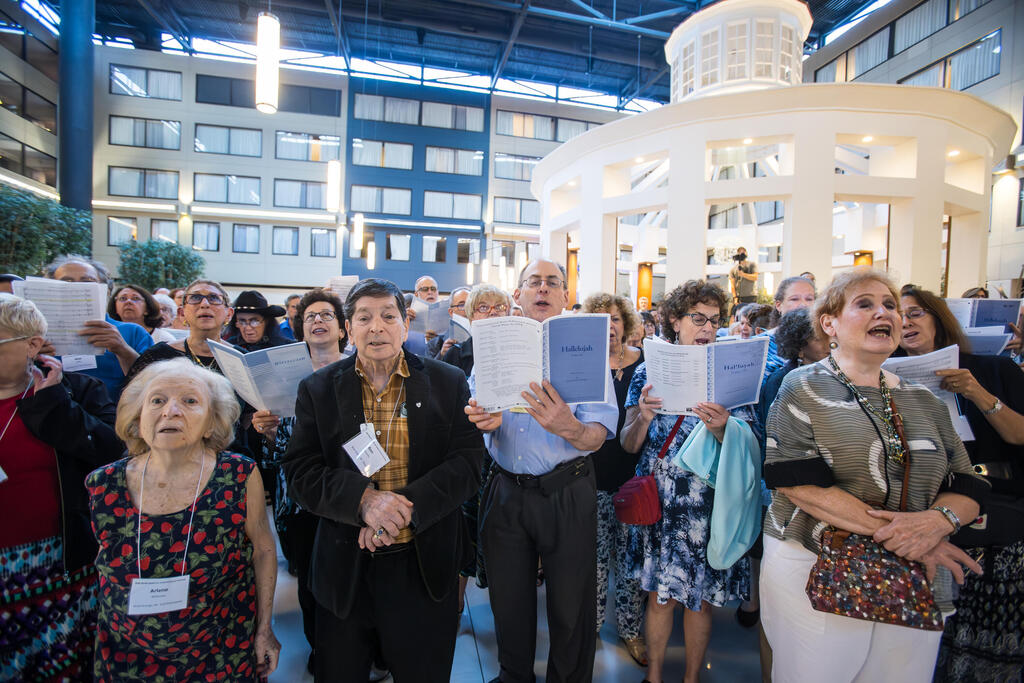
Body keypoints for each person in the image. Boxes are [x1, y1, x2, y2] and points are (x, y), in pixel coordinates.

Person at [759, 269, 988, 683]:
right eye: (864, 304)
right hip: (818, 561)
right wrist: (908, 538)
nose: (883, 312)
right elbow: (797, 482)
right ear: (829, 323)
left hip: (916, 567)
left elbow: (968, 481)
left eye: (890, 306)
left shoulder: (923, 398)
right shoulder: (802, 386)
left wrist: (938, 522)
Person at [282, 278, 485, 682]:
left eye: (388, 316)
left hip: (422, 562)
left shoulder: (447, 382)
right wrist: (365, 502)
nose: (377, 327)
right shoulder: (318, 389)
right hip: (346, 564)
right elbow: (300, 470)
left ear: (404, 325)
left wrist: (400, 510)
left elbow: (468, 463)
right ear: (348, 328)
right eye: (364, 317)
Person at [465, 259, 618, 683]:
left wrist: (566, 425)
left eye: (554, 282)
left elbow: (597, 436)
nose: (544, 289)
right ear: (518, 294)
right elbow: (475, 406)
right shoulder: (494, 345)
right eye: (534, 282)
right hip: (505, 490)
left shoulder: (587, 349)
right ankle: (514, 675)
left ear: (566, 296)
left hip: (566, 490)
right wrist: (482, 419)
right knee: (508, 599)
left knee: (571, 603)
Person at [87, 358, 280, 681]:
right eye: (157, 401)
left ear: (211, 423)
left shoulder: (238, 475)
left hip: (220, 647)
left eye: (190, 401)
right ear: (137, 418)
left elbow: (263, 550)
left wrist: (264, 629)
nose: (171, 411)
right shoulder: (103, 484)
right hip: (128, 653)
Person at [619, 280, 759, 683]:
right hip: (659, 501)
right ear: (674, 321)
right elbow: (629, 445)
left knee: (700, 603)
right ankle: (655, 676)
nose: (707, 328)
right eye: (698, 318)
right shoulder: (648, 370)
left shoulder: (731, 374)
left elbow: (750, 448)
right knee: (659, 598)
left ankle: (693, 677)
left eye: (715, 321)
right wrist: (643, 416)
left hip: (707, 503)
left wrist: (722, 430)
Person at [894, 285, 1024, 681]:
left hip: (1000, 520)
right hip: (927, 527)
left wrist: (975, 392)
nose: (905, 321)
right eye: (897, 315)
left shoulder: (993, 370)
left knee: (996, 643)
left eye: (915, 312)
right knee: (925, 647)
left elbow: (1019, 435)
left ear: (938, 318)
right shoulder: (885, 381)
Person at [0, 293, 123, 682]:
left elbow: (113, 454)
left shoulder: (77, 390)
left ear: (32, 344)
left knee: (59, 663)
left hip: (58, 560)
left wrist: (54, 404)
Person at [249, 289, 349, 674]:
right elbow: (278, 458)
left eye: (326, 315)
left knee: (354, 579)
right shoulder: (284, 377)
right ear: (300, 329)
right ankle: (320, 649)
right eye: (309, 317)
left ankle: (363, 649)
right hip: (300, 500)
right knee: (310, 583)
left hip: (348, 492)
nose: (318, 321)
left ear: (342, 328)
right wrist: (268, 432)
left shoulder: (361, 370)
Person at [582, 292, 648, 666]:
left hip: (634, 479)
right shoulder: (582, 365)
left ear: (626, 324)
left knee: (630, 563)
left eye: (615, 320)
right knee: (593, 562)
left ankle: (631, 630)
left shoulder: (645, 364)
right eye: (600, 320)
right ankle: (589, 628)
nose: (609, 327)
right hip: (590, 478)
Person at [44, 254, 154, 400]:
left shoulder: (133, 332)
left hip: (115, 418)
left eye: (87, 282)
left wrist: (122, 349)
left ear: (106, 291)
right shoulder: (40, 334)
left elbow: (154, 381)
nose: (77, 288)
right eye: (67, 282)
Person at [761, 276, 816, 380]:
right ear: (778, 305)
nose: (803, 305)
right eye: (794, 299)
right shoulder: (761, 343)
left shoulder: (825, 343)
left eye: (809, 299)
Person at [107, 284, 177, 343]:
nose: (128, 302)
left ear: (147, 309)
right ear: (115, 307)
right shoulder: (108, 335)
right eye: (123, 298)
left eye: (135, 298)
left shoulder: (164, 339)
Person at [226, 290, 291, 352]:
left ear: (266, 321)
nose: (248, 328)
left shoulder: (286, 347)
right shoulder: (228, 347)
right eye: (242, 322)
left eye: (254, 321)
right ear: (236, 323)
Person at [427, 285, 471, 359]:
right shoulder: (435, 343)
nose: (467, 309)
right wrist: (441, 355)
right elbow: (427, 369)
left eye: (470, 305)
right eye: (462, 305)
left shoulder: (482, 336)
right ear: (451, 312)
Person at [730, 246, 758, 315]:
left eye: (743, 252)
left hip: (750, 296)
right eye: (740, 253)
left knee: (751, 316)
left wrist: (743, 274)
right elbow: (732, 285)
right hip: (739, 297)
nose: (742, 254)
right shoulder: (733, 269)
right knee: (735, 315)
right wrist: (735, 297)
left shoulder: (752, 265)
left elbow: (755, 277)